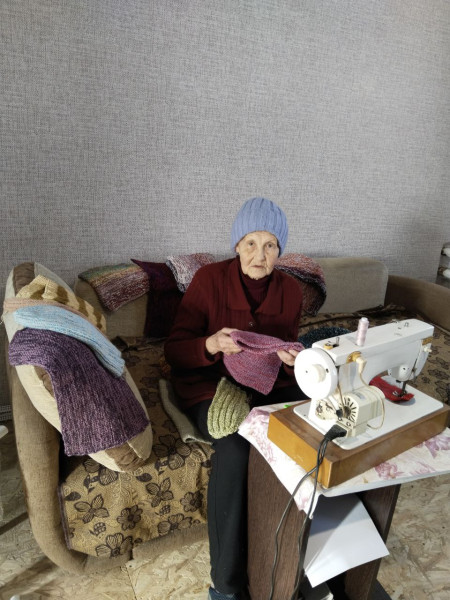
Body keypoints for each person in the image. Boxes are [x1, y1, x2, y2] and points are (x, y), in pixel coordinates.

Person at [164, 197, 305, 600]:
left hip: (265, 384)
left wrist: (291, 361)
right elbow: (174, 350)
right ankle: (225, 585)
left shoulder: (291, 290)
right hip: (208, 383)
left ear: (280, 250)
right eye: (251, 243)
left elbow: (286, 349)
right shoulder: (209, 279)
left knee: (313, 420)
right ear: (237, 244)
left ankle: (294, 554)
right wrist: (211, 344)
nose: (260, 255)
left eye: (270, 245)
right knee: (236, 447)